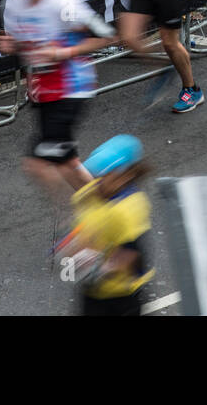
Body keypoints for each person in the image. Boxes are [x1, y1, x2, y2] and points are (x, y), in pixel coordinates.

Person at [0, 0, 117, 199]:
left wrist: (64, 52)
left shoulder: (63, 4)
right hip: (43, 92)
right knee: (66, 160)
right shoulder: (11, 4)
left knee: (39, 164)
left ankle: (77, 221)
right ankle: (105, 208)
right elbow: (22, 44)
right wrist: (12, 46)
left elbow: (106, 36)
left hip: (72, 88)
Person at [59, 134, 155, 316]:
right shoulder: (88, 195)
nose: (98, 181)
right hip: (93, 292)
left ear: (126, 175)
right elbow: (80, 227)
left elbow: (133, 257)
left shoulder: (128, 210)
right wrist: (72, 245)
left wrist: (96, 268)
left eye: (106, 176)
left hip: (121, 297)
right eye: (97, 175)